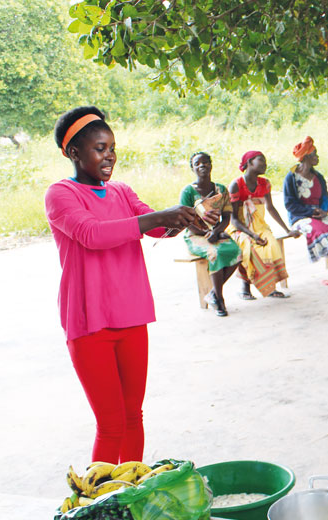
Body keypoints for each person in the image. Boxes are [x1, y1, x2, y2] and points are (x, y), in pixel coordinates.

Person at [44, 106, 199, 462]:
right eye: (100, 148)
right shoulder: (60, 195)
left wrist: (191, 218)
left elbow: (158, 226)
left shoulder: (121, 191)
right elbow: (91, 234)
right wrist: (158, 218)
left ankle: (130, 497)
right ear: (73, 153)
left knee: (133, 417)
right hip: (90, 323)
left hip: (131, 316)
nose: (110, 155)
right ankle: (99, 505)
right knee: (111, 424)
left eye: (112, 147)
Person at [283, 136, 328, 284]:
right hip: (300, 217)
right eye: (315, 154)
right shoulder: (291, 177)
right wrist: (310, 213)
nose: (317, 157)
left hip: (318, 214)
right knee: (318, 230)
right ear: (307, 157)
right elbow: (290, 205)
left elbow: (325, 198)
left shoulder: (318, 176)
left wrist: (323, 211)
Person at [228, 151, 298, 300]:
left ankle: (269, 287)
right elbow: (233, 219)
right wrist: (252, 234)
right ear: (249, 163)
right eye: (261, 161)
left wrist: (287, 230)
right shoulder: (236, 185)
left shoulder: (264, 183)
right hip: (240, 228)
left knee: (271, 245)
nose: (265, 165)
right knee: (248, 246)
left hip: (260, 227)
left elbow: (271, 208)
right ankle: (244, 288)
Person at [180, 152, 241, 316]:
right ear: (192, 168)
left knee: (237, 251)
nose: (202, 165)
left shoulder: (221, 189)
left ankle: (213, 293)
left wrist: (216, 232)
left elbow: (227, 217)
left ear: (211, 165)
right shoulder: (188, 192)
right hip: (195, 235)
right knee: (215, 252)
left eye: (205, 162)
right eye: (197, 163)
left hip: (215, 232)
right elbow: (186, 222)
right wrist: (206, 233)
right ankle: (220, 300)